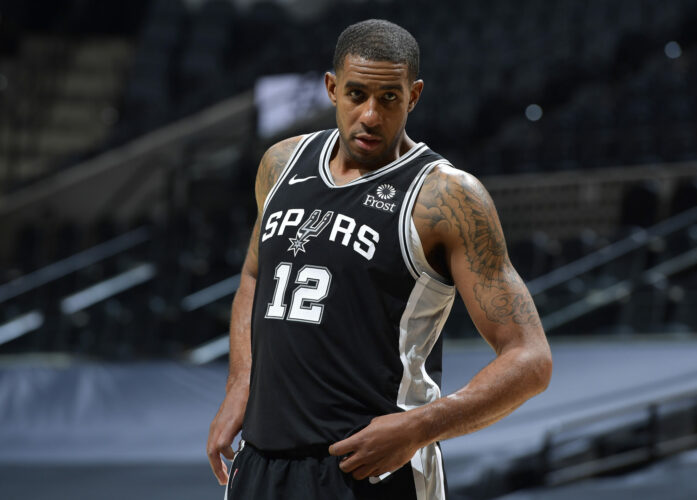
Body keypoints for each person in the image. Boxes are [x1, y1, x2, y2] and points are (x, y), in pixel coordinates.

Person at [207, 19, 552, 500]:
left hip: (373, 472)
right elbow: (253, 277)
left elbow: (530, 359)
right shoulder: (281, 164)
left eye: (389, 98)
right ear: (332, 88)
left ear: (414, 96)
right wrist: (240, 382)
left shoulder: (446, 197)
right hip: (262, 464)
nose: (370, 115)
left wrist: (421, 426)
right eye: (356, 94)